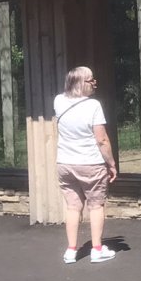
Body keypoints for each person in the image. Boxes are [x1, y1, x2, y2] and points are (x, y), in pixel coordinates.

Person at [54, 64, 118, 265]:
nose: (95, 83)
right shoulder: (93, 106)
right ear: (81, 83)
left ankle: (71, 250)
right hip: (90, 163)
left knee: (73, 207)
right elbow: (102, 140)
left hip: (65, 163)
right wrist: (112, 163)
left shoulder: (58, 101)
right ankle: (97, 249)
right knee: (96, 205)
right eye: (91, 80)